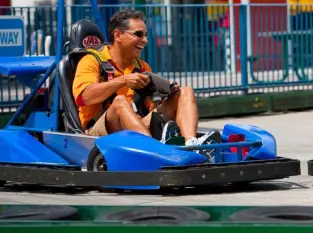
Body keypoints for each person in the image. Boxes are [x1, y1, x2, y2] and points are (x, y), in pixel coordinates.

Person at [71, 9, 221, 148]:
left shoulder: (142, 67)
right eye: (138, 34)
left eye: (145, 35)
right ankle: (155, 150)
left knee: (185, 92)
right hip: (98, 131)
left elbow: (151, 109)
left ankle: (191, 144)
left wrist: (164, 96)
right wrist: (122, 80)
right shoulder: (91, 60)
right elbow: (84, 97)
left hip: (137, 126)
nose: (145, 40)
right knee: (120, 102)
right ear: (118, 36)